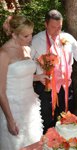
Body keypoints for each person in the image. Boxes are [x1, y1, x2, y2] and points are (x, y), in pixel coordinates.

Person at [30, 9, 77, 134]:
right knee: (47, 120)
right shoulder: (36, 40)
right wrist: (35, 76)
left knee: (65, 119)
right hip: (45, 87)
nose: (57, 31)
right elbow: (27, 62)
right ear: (46, 24)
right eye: (53, 27)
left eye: (59, 27)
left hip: (66, 87)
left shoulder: (68, 38)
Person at [0, 15, 45, 150]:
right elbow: (0, 90)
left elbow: (19, 75)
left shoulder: (27, 48)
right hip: (13, 108)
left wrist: (38, 77)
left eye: (31, 34)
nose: (30, 38)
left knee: (35, 143)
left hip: (30, 105)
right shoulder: (3, 54)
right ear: (14, 34)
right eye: (26, 36)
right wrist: (10, 120)